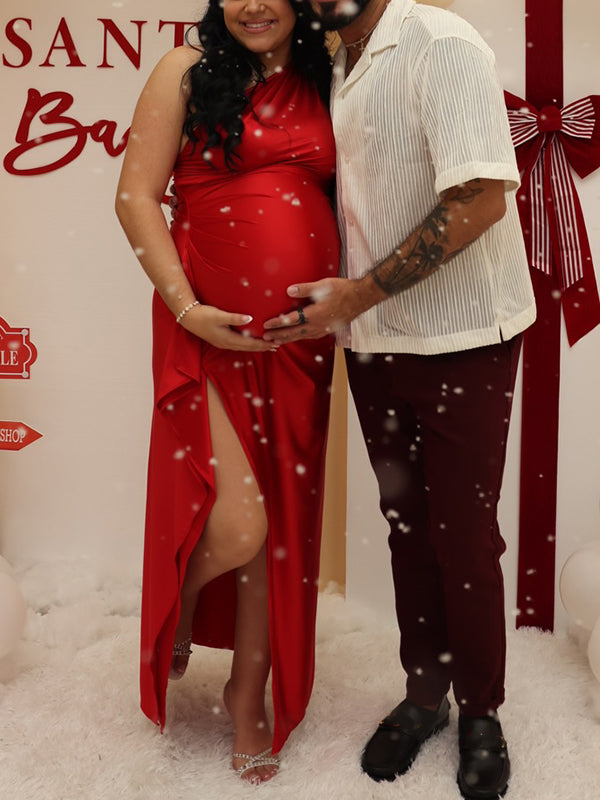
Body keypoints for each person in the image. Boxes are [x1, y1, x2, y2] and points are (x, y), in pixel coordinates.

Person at [263, 0, 536, 797]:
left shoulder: (439, 42)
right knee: (407, 526)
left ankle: (481, 711)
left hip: (463, 335)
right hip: (374, 339)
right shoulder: (331, 59)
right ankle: (426, 695)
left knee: (464, 537)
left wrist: (354, 295)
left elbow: (480, 198)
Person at [115, 0, 338, 784]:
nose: (254, 5)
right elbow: (134, 196)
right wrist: (188, 309)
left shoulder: (327, 75)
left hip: (300, 345)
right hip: (207, 330)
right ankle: (177, 605)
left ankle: (249, 695)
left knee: (279, 532)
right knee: (241, 526)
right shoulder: (184, 69)